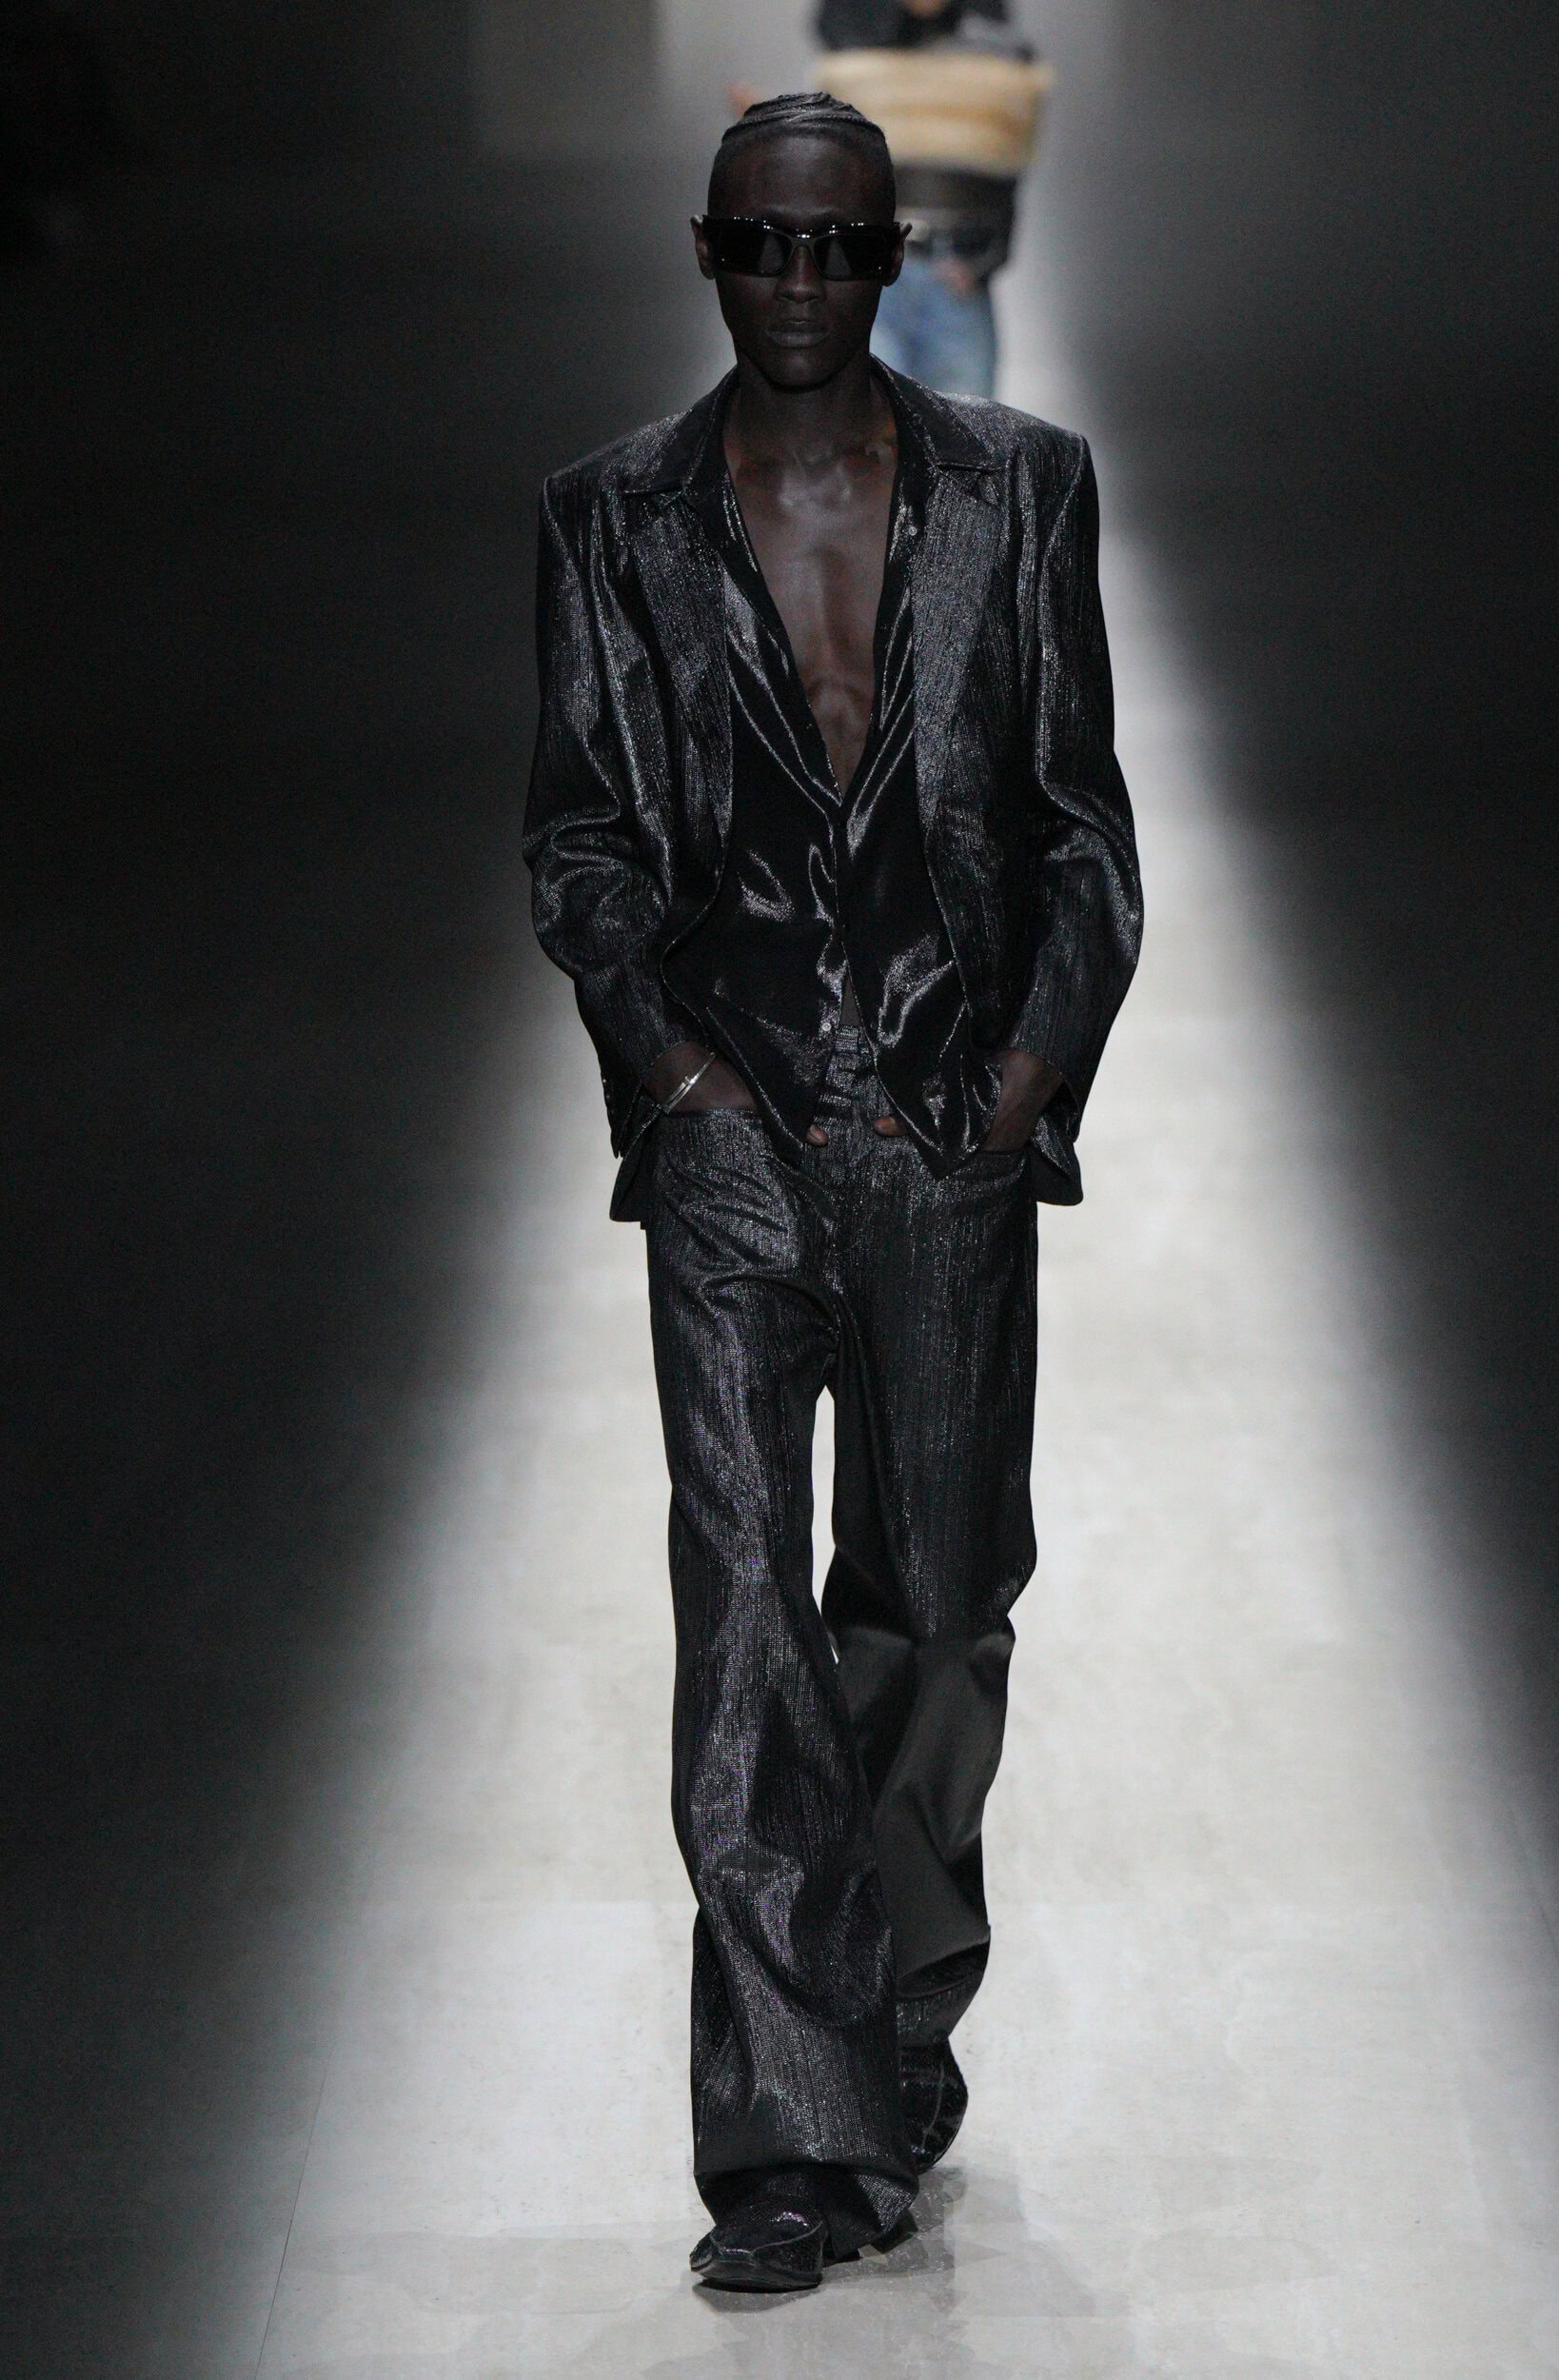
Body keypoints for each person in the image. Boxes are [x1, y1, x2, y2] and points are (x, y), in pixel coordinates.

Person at [524, 92, 1140, 2293]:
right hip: (730, 1143)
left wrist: (1024, 1073)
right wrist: (670, 1069)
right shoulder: (609, 516)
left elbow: (1081, 831)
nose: (797, 282)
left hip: (945, 1132)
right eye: (761, 245)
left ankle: (884, 2035)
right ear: (708, 251)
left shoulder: (1020, 489)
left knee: (941, 1605)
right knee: (743, 1627)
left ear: (890, 257)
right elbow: (579, 835)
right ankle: (789, 2143)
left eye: (835, 246)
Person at [816, 0, 1037, 396]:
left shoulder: (993, 51)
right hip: (869, 275)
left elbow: (1008, 162)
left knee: (962, 429)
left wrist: (986, 258)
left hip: (951, 272)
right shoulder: (851, 41)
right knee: (872, 427)